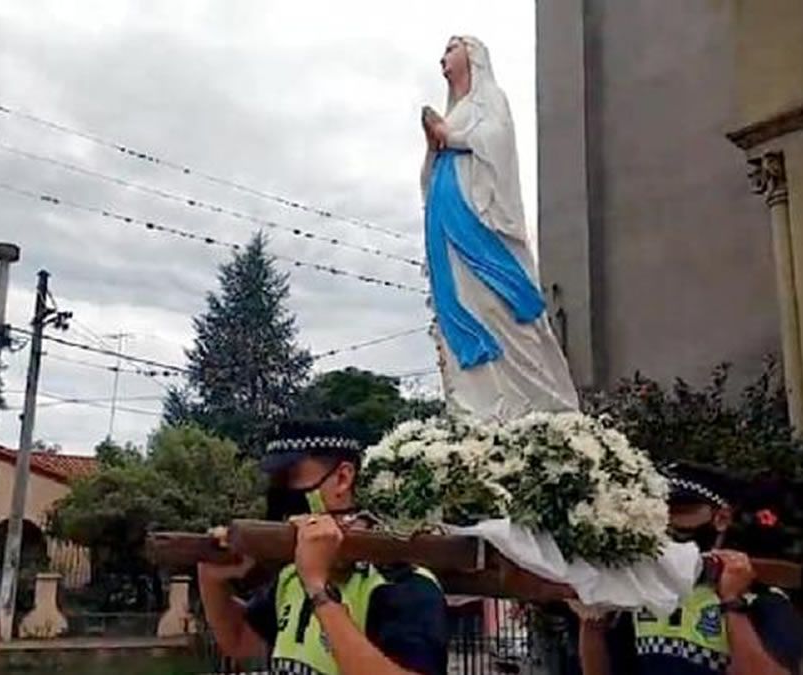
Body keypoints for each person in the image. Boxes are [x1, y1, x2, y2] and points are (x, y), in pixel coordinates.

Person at [197, 420, 449, 675]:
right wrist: (211, 579)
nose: (282, 491)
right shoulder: (291, 575)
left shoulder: (400, 581)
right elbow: (241, 642)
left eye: (292, 476)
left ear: (342, 478)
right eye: (277, 480)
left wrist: (318, 590)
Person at [421, 35, 579, 424]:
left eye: (451, 48)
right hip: (445, 220)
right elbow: (430, 172)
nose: (443, 57)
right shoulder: (456, 110)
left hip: (478, 218)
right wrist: (433, 143)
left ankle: (532, 401)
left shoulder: (489, 98)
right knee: (461, 299)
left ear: (473, 55)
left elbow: (497, 140)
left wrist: (450, 136)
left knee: (496, 303)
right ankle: (477, 405)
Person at [573, 464, 803, 675]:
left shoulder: (759, 596)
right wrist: (591, 624)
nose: (667, 522)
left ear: (722, 518)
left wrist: (732, 603)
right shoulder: (645, 595)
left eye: (681, 511)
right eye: (659, 512)